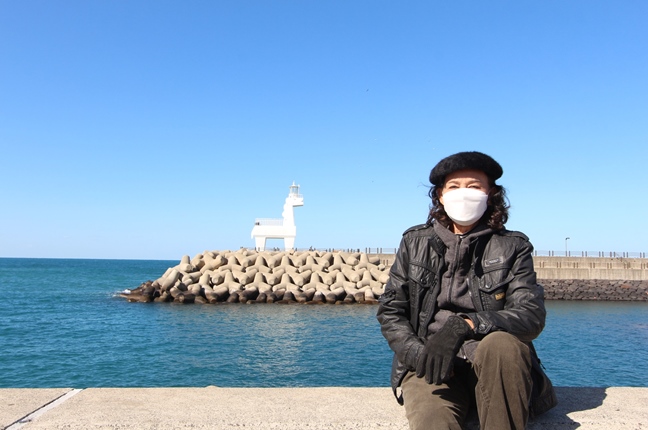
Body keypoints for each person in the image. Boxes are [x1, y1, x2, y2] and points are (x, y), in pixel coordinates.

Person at [376, 151, 557, 430]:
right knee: (433, 423)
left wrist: (467, 324)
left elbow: (531, 315)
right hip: (431, 362)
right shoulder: (414, 242)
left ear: (490, 193)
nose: (463, 194)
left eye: (474, 186)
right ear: (440, 195)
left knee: (503, 344)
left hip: (495, 365)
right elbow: (391, 311)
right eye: (454, 186)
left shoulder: (514, 247)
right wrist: (417, 354)